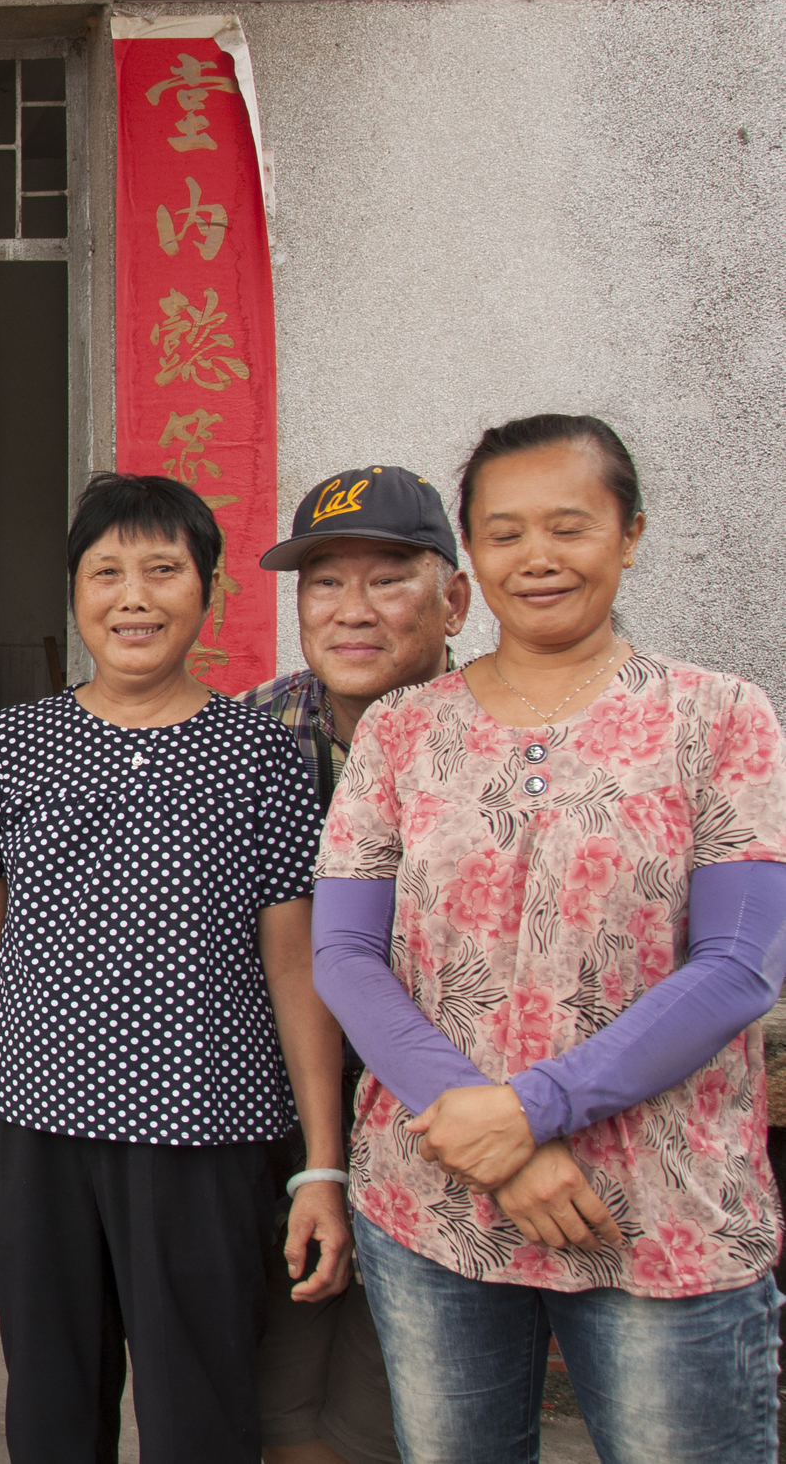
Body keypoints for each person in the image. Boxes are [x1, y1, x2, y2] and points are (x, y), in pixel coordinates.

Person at [313, 413, 786, 1461]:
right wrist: (475, 1124)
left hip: (661, 1206)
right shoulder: (401, 728)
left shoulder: (717, 716)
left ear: (629, 533)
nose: (537, 557)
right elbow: (344, 953)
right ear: (468, 564)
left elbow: (739, 966)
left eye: (568, 527)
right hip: (435, 1199)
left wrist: (528, 1111)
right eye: (504, 532)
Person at [0, 471, 348, 1462]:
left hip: (206, 1132)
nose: (133, 597)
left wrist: (320, 1162)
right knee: (50, 1403)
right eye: (105, 571)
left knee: (199, 1405)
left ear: (207, 589)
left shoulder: (262, 755)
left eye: (162, 569)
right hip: (32, 1124)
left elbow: (297, 965)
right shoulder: (17, 741)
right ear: (75, 591)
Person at [240, 465, 470, 1464]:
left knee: (406, 1409)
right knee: (270, 1397)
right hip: (271, 1128)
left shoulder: (493, 734)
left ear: (452, 597)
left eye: (388, 579)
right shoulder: (246, 734)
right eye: (324, 583)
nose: (352, 610)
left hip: (440, 1134)